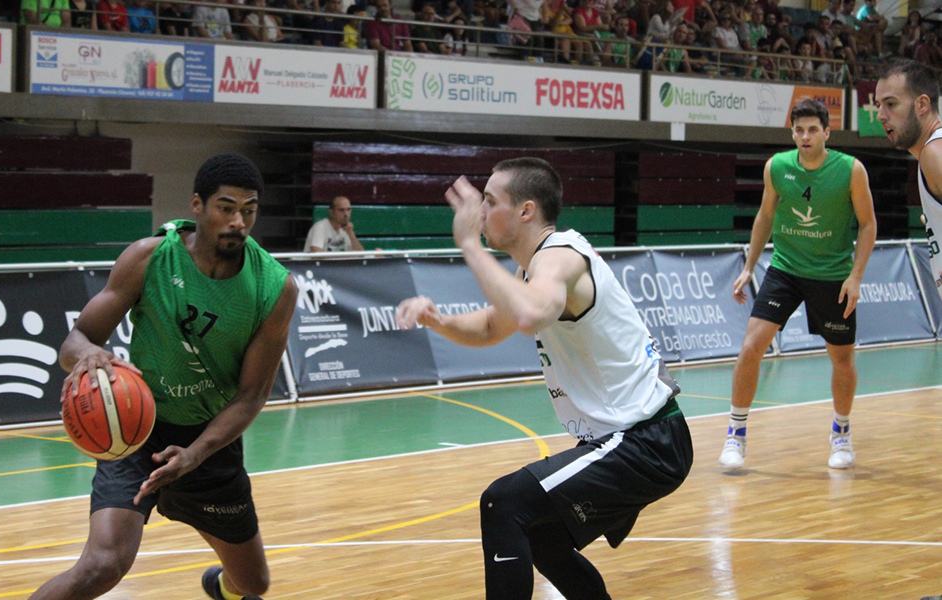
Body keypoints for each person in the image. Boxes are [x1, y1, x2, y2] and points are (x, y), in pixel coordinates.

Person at [396, 158, 693, 599]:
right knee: (540, 537)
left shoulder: (561, 257)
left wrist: (470, 247)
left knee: (504, 503)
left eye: (490, 202)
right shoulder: (535, 267)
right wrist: (436, 320)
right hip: (636, 440)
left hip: (642, 440)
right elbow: (490, 327)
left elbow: (531, 315)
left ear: (526, 211)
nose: (480, 213)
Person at [29, 153, 297, 600]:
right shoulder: (148, 258)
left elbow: (251, 397)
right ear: (197, 204)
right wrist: (90, 356)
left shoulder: (275, 287)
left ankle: (219, 587)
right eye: (225, 208)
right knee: (102, 566)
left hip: (209, 440)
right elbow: (74, 340)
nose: (237, 222)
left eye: (248, 211)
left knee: (253, 585)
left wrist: (194, 454)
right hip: (137, 431)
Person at [719, 99, 876, 472]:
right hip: (785, 270)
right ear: (792, 133)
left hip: (832, 274)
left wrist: (855, 277)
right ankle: (735, 436)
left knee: (841, 358)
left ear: (827, 133)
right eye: (798, 130)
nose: (805, 137)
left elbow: (868, 225)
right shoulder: (777, 166)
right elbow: (766, 215)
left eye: (812, 130)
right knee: (751, 347)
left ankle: (841, 433)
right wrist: (749, 267)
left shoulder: (851, 170)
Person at [876, 59, 942, 302]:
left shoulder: (934, 153)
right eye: (879, 105)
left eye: (890, 104)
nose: (880, 115)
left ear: (922, 104)